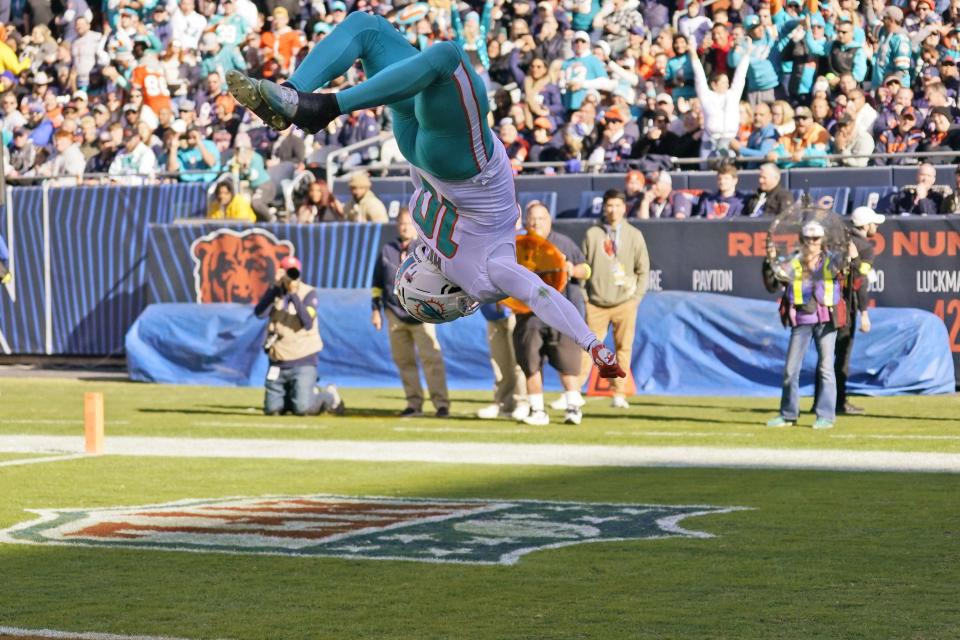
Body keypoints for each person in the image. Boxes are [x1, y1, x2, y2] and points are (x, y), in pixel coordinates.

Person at [227, 12, 625, 380]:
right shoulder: (430, 242)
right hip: (420, 150)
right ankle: (293, 95)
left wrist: (593, 344)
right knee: (367, 29)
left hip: (464, 163)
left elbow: (540, 295)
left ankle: (317, 104)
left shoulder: (486, 278)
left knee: (446, 56)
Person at [514, 202, 591, 425]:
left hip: (561, 314)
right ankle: (538, 410)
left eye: (541, 218)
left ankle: (573, 407)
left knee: (567, 363)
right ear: (526, 221)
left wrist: (572, 269)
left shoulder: (564, 243)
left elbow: (586, 269)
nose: (536, 223)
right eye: (532, 218)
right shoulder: (519, 246)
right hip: (529, 315)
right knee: (531, 364)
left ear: (549, 220)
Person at [371, 210, 450, 418]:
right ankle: (413, 403)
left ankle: (441, 404)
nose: (404, 227)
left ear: (416, 226)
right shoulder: (387, 250)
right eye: (401, 223)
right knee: (404, 361)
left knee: (431, 360)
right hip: (394, 313)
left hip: (422, 315)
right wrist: (375, 310)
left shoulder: (426, 250)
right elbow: (377, 284)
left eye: (408, 223)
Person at [766, 220, 843, 430]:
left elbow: (846, 265)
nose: (812, 242)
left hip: (826, 319)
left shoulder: (831, 260)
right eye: (808, 238)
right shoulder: (793, 262)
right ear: (801, 240)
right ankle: (788, 414)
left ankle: (825, 415)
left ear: (822, 240)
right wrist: (771, 260)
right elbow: (776, 280)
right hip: (801, 319)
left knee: (826, 368)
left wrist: (852, 255)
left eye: (816, 238)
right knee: (791, 369)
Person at [580, 189, 650, 409]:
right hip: (596, 302)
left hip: (625, 303)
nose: (613, 210)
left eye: (618, 205)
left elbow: (643, 269)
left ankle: (618, 393)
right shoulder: (592, 234)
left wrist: (636, 297)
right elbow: (583, 267)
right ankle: (574, 391)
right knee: (588, 348)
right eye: (609, 205)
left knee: (623, 348)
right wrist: (584, 297)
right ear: (604, 207)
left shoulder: (634, 235)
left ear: (624, 208)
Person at [253, 256, 345, 416]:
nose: (290, 275)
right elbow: (259, 313)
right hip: (278, 360)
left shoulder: (308, 292)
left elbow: (307, 322)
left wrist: (293, 294)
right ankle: (297, 395)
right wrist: (274, 288)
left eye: (293, 272)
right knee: (272, 410)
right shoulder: (276, 291)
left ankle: (329, 396)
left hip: (303, 358)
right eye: (286, 271)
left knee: (303, 409)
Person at [835, 207, 884, 415]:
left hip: (827, 303)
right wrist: (864, 312)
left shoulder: (839, 240)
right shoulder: (865, 247)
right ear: (865, 226)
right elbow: (859, 283)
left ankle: (823, 400)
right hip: (846, 306)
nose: (876, 226)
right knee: (842, 355)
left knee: (828, 354)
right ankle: (839, 402)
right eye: (874, 223)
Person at [476, 303, 528, 420]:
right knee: (499, 363)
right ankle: (503, 404)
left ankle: (522, 402)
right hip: (491, 314)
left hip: (513, 311)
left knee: (518, 361)